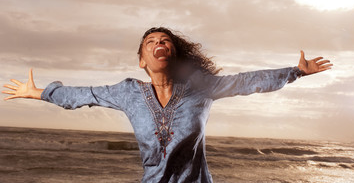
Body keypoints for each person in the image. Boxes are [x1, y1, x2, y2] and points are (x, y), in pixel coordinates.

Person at [2, 27, 332, 183]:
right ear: (142, 59)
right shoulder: (128, 92)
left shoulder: (201, 89)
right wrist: (39, 92)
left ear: (173, 54)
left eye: (165, 42)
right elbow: (84, 94)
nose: (159, 44)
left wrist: (295, 73)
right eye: (151, 42)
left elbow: (247, 82)